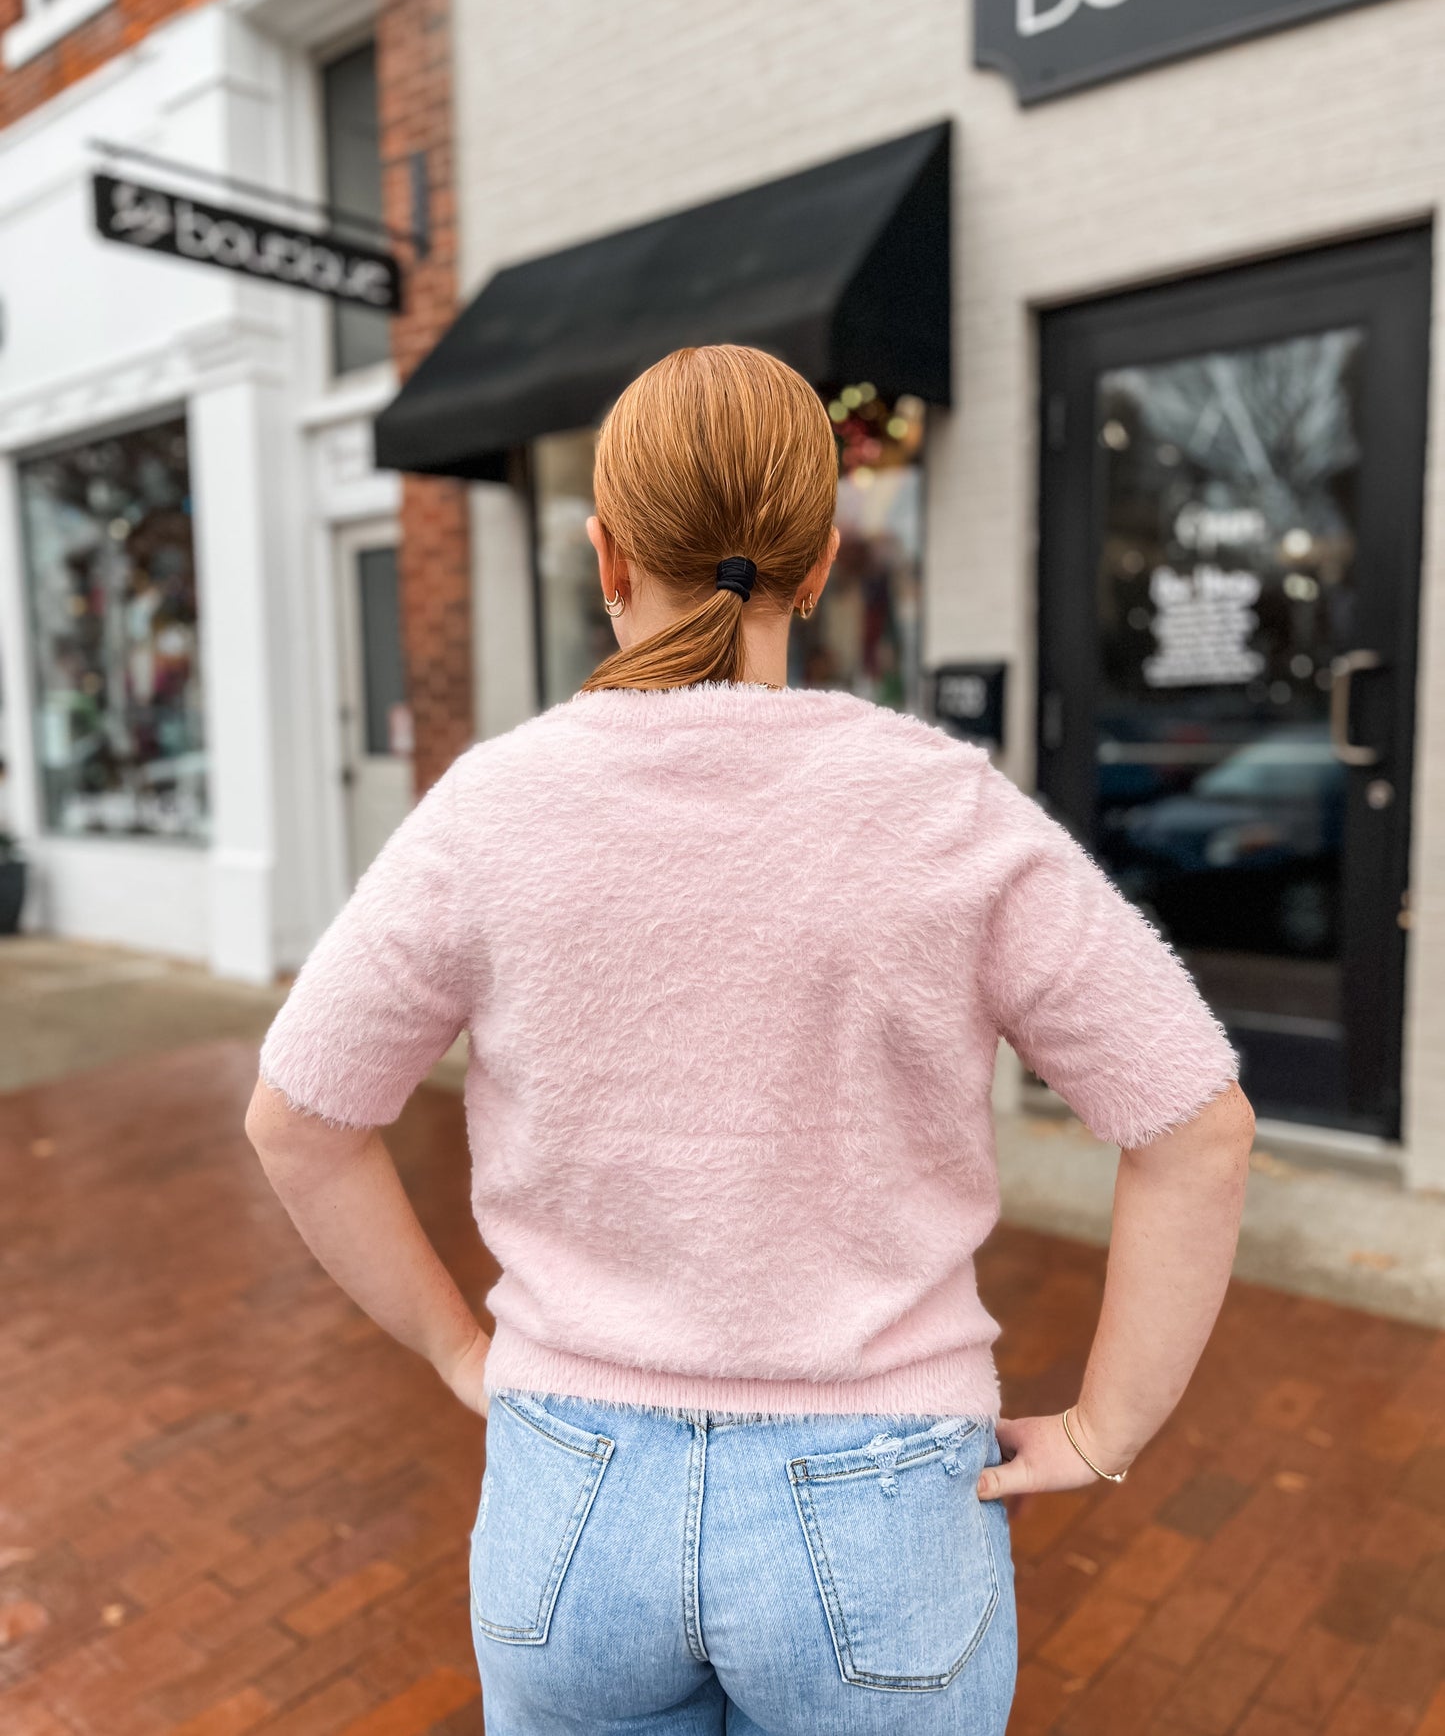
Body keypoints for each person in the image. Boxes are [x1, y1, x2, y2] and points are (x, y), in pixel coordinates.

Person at [246, 344, 1255, 1734]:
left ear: (607, 555)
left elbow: (298, 1120)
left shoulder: (493, 807)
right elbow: (1198, 1126)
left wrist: (452, 1348)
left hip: (568, 1494)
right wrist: (1105, 1428)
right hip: (880, 1498)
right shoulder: (941, 804)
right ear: (821, 562)